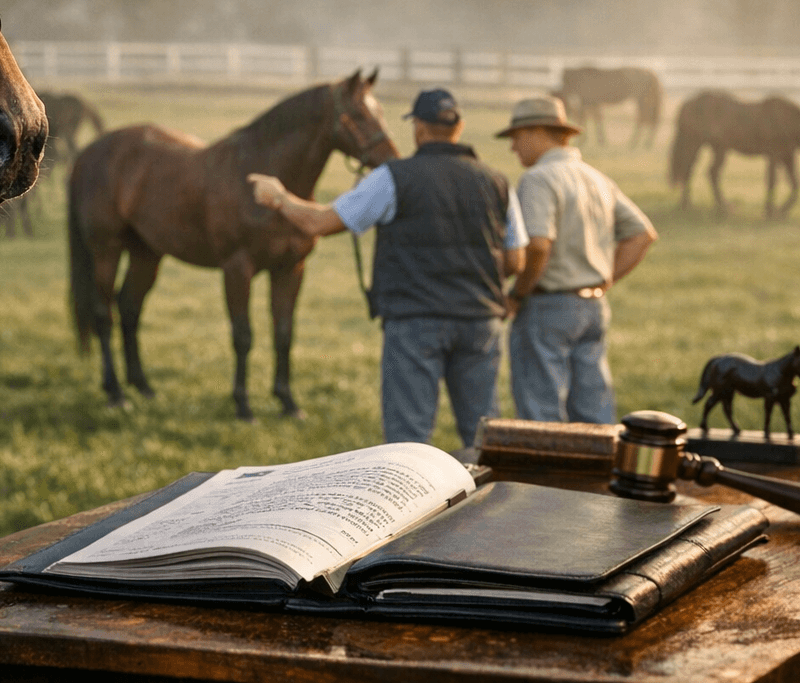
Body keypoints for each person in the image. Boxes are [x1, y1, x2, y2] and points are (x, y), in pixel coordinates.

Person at [248, 88, 527, 448]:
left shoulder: (394, 177)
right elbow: (517, 261)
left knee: (408, 442)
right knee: (482, 439)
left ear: (419, 128)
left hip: (416, 321)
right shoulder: (498, 181)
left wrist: (279, 197)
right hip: (480, 321)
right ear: (458, 127)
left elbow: (320, 223)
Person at [498, 96, 658, 424]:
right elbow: (642, 234)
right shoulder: (596, 178)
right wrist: (604, 280)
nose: (513, 147)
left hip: (547, 306)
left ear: (536, 132)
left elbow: (539, 246)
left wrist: (516, 295)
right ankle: (597, 473)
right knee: (593, 411)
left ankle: (545, 476)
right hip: (593, 306)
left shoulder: (538, 179)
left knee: (541, 413)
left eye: (516, 137)